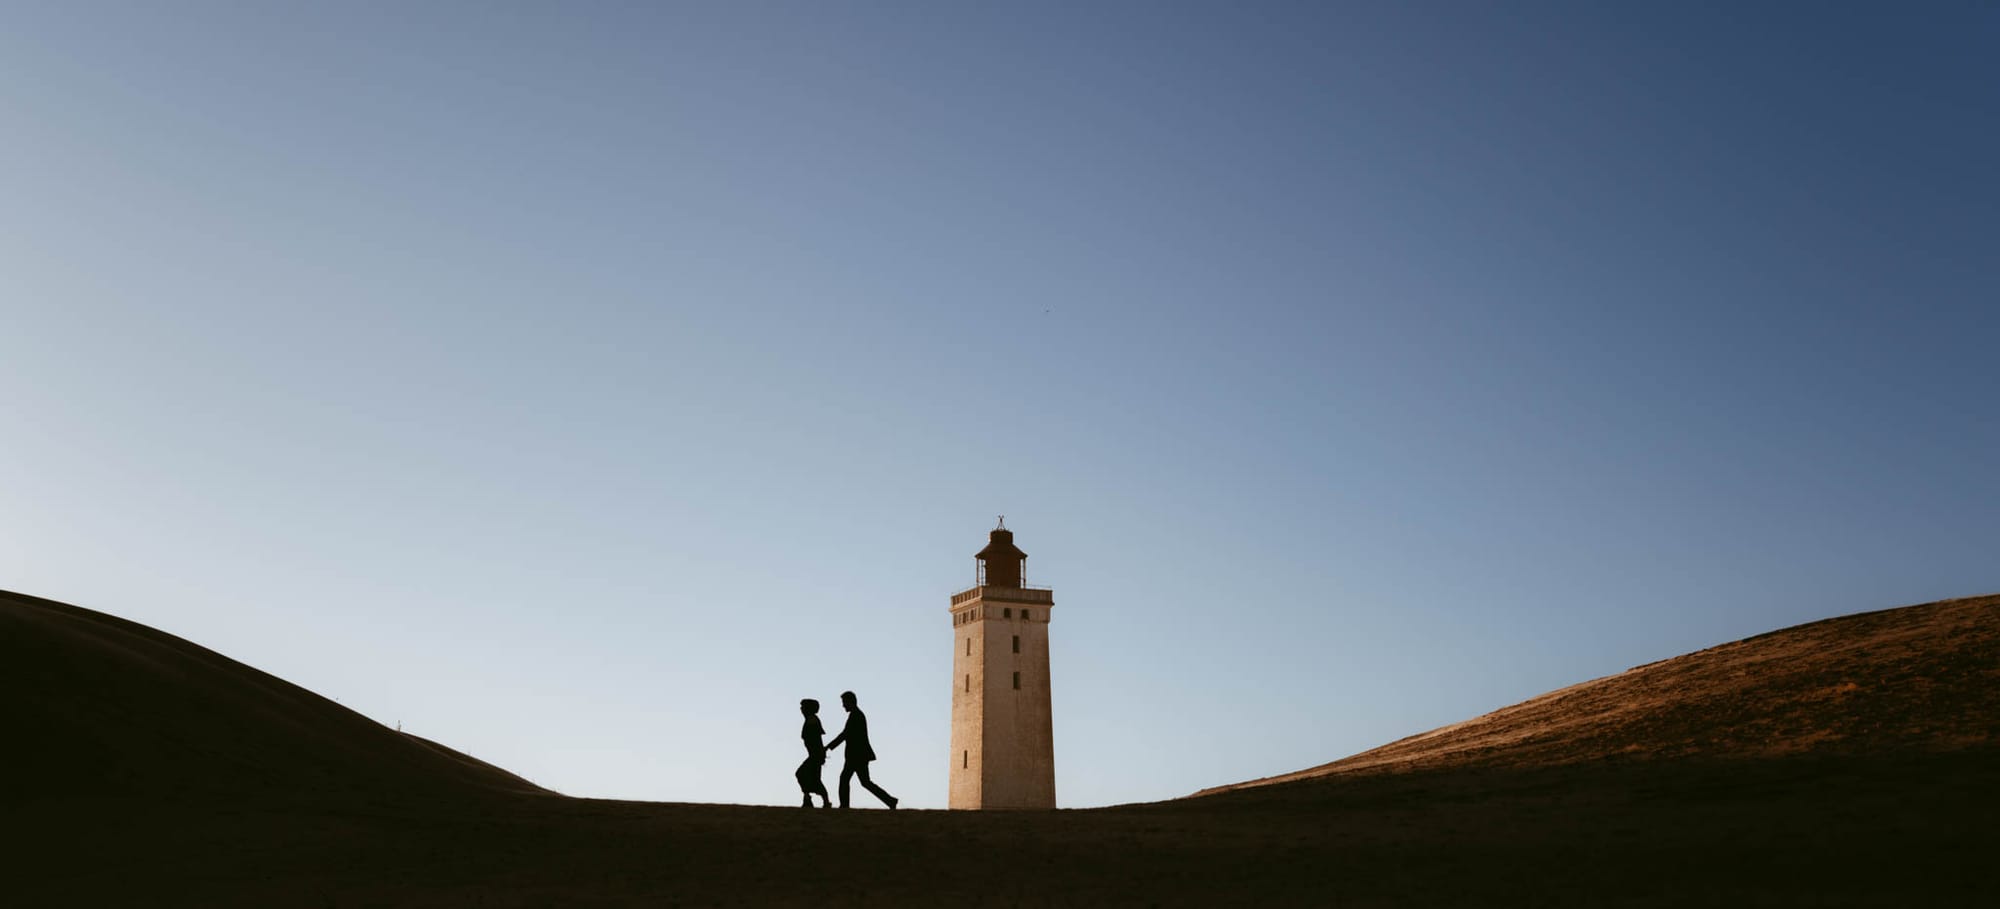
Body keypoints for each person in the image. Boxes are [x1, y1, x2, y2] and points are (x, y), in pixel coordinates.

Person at [824, 690, 897, 809]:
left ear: (850, 702)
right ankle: (890, 800)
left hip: (856, 756)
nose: (843, 705)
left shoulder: (856, 716)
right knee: (864, 782)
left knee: (846, 779)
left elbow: (845, 734)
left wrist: (828, 746)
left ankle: (844, 806)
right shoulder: (856, 715)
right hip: (858, 755)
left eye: (844, 702)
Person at [795, 698, 832, 808]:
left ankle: (818, 800)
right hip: (815, 755)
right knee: (811, 777)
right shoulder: (811, 720)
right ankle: (811, 800)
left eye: (803, 707)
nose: (801, 709)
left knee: (802, 774)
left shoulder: (812, 720)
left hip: (815, 755)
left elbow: (816, 740)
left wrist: (820, 754)